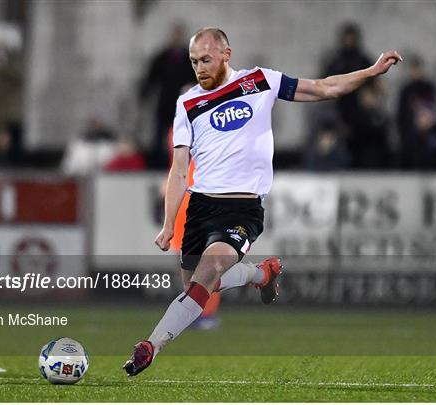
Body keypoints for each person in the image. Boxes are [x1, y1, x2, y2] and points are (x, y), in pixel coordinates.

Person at [123, 27, 402, 377]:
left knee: (209, 273)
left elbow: (324, 87)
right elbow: (179, 171)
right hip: (199, 208)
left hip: (242, 208)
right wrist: (168, 224)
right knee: (195, 285)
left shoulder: (260, 82)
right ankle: (261, 272)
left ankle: (151, 345)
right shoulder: (187, 103)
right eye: (194, 62)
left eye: (206, 59)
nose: (200, 68)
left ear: (227, 54)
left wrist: (371, 72)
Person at [139, 23, 196, 169]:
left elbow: (198, 79)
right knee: (160, 137)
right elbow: (151, 78)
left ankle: (185, 166)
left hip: (184, 105)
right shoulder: (163, 56)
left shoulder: (190, 59)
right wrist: (144, 94)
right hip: (165, 103)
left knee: (184, 137)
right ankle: (160, 167)